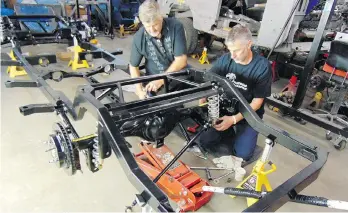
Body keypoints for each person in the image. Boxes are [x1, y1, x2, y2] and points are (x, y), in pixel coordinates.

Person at [198, 24, 272, 161]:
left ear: (249, 44)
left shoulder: (262, 67)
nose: (233, 56)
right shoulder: (226, 59)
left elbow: (257, 102)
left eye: (237, 50)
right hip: (225, 109)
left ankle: (237, 132)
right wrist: (203, 96)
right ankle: (229, 132)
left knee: (243, 155)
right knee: (204, 141)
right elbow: (208, 79)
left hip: (248, 115)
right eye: (230, 50)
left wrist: (233, 120)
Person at [129, 0, 188, 99]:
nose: (152, 30)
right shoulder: (139, 37)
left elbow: (181, 60)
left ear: (161, 17)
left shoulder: (176, 27)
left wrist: (161, 80)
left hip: (177, 75)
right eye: (147, 27)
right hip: (154, 82)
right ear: (142, 23)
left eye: (155, 25)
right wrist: (139, 91)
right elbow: (133, 66)